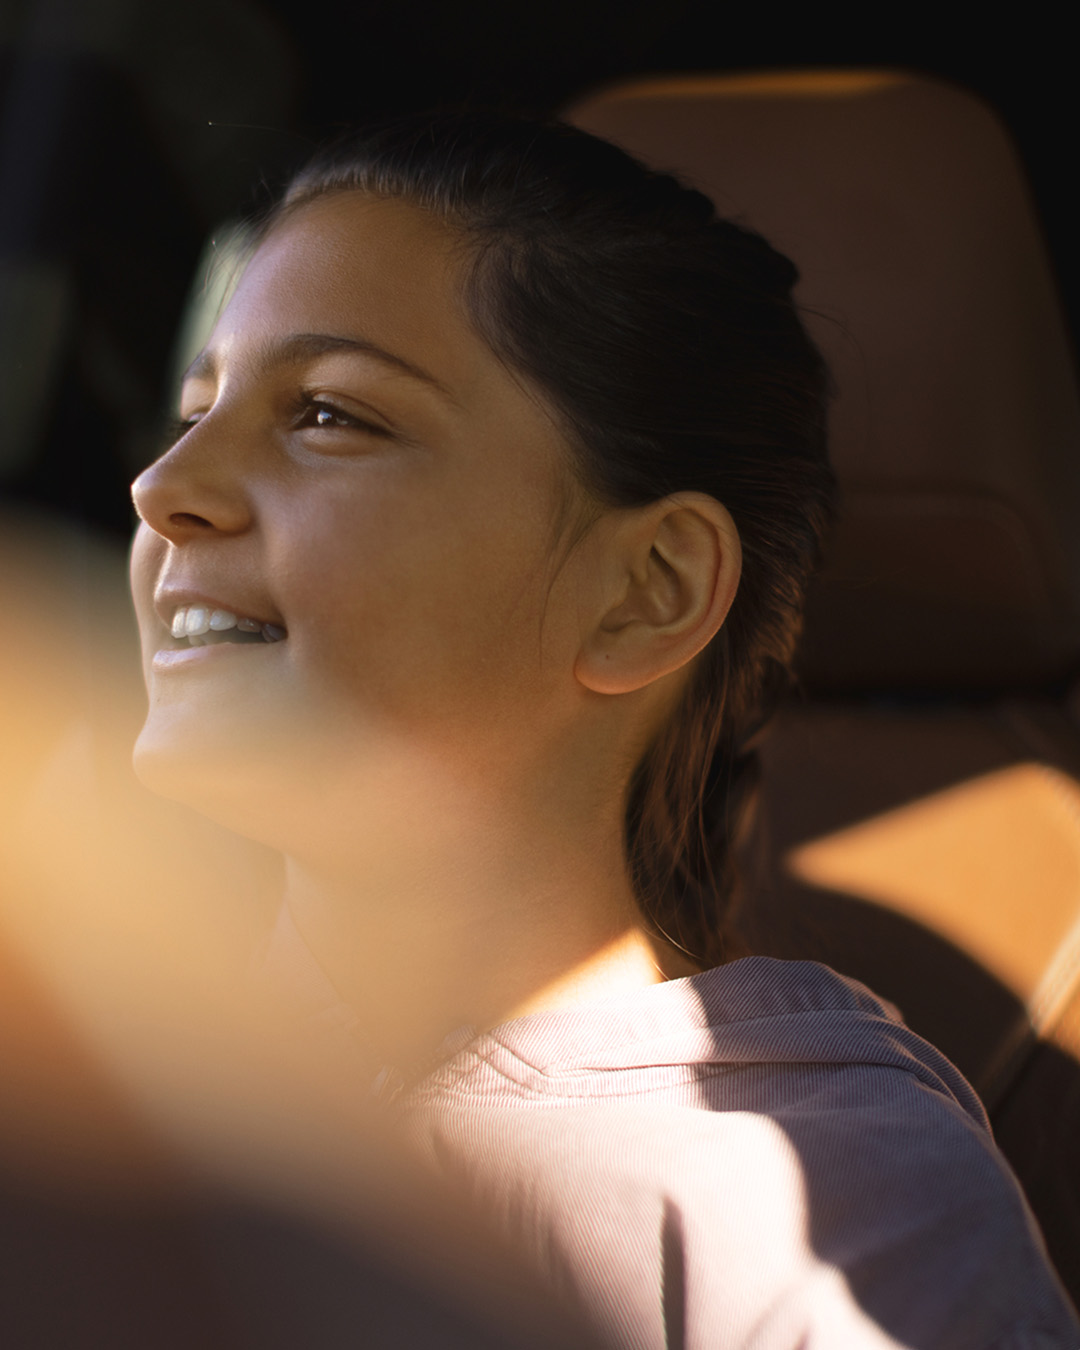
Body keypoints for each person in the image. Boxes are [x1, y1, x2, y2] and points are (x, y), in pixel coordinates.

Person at [128, 111, 1080, 1347]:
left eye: (330, 415)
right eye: (195, 411)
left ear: (647, 592)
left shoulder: (820, 1210)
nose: (163, 487)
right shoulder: (85, 1081)